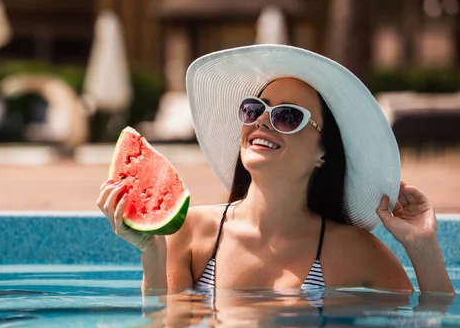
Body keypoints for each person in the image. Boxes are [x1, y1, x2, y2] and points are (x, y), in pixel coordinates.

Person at [97, 44, 454, 296]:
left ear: (323, 153)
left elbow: (432, 322)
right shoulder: (190, 233)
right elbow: (164, 327)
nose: (263, 122)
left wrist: (422, 245)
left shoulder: (355, 250)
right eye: (254, 110)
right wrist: (153, 254)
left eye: (287, 116)